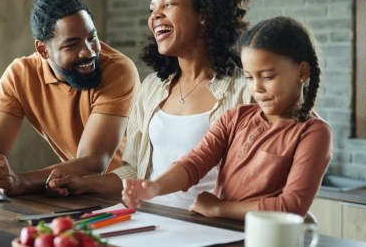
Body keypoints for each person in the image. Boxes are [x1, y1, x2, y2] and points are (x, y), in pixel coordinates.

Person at [46, 0, 251, 210]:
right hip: (155, 223)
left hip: (215, 230)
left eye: (169, 5)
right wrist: (85, 183)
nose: (155, 17)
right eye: (153, 9)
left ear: (204, 14)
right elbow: (135, 170)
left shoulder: (246, 90)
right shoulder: (153, 87)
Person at [0, 0, 140, 196]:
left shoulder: (118, 70)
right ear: (43, 49)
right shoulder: (21, 75)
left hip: (128, 193)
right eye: (71, 44)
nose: (88, 52)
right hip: (76, 193)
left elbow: (94, 162)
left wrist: (21, 181)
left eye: (91, 37)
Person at [121, 16, 332, 220]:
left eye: (267, 76)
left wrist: (219, 209)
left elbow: (291, 206)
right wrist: (155, 187)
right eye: (249, 77)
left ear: (302, 72)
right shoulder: (235, 117)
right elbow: (195, 162)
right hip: (222, 234)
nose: (256, 87)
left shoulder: (313, 132)